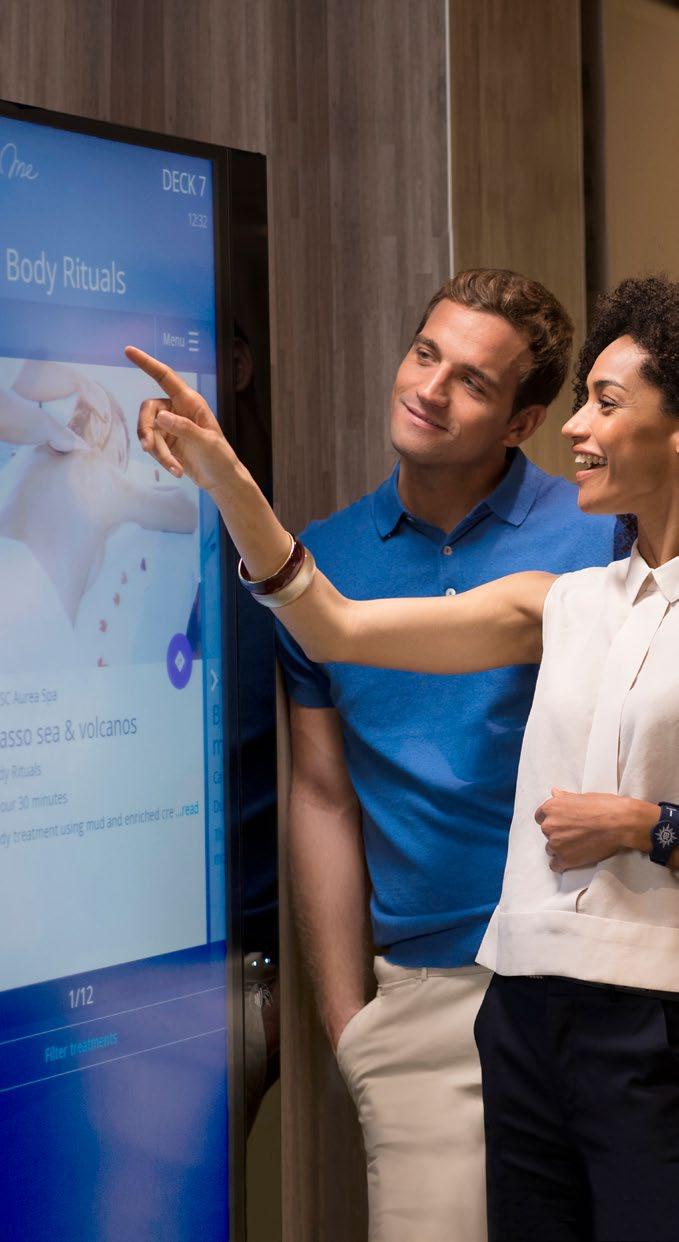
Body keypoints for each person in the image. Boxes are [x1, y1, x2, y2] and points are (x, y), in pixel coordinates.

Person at [127, 270, 679, 1242]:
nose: (573, 431)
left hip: (648, 1014)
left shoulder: (581, 557)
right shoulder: (563, 600)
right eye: (425, 354)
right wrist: (227, 480)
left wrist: (648, 826)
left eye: (604, 403)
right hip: (525, 1004)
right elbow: (331, 622)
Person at [0, 360, 197, 672]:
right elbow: (184, 511)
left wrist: (76, 386)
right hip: (31, 628)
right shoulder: (91, 471)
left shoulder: (39, 444)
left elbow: (21, 384)